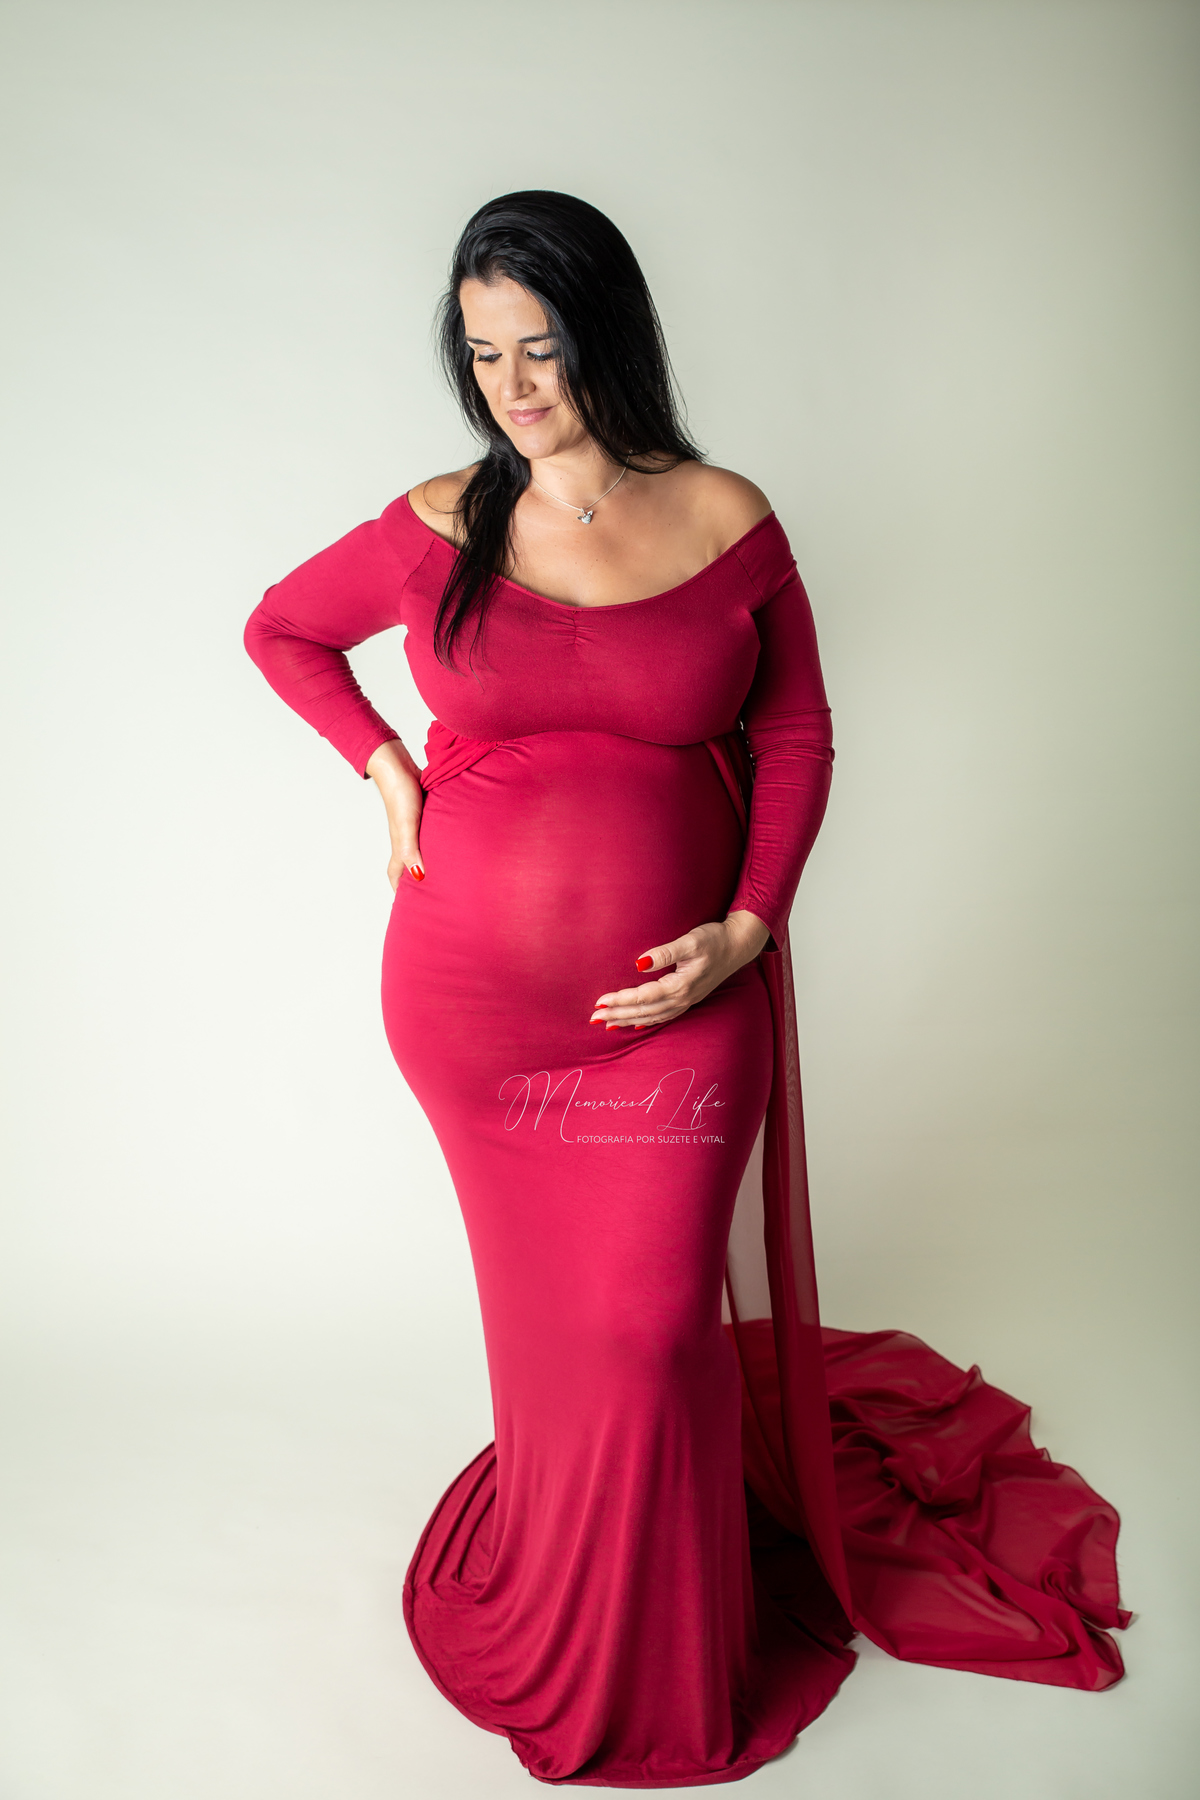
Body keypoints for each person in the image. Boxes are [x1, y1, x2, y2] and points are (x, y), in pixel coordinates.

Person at [244, 190, 1129, 1788]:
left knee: (652, 1330)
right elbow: (283, 631)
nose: (514, 386)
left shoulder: (726, 518)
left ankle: (663, 1647)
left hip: (677, 1017)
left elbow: (795, 733)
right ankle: (568, 1592)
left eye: (542, 347)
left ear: (610, 334)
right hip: (474, 1019)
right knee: (560, 1336)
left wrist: (749, 927)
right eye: (483, 353)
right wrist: (383, 766)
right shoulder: (437, 524)